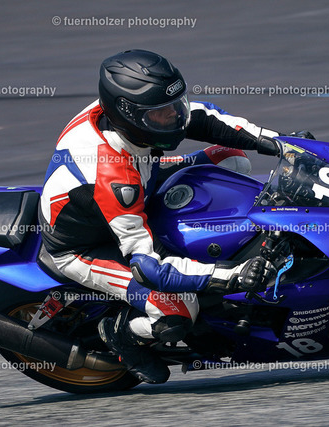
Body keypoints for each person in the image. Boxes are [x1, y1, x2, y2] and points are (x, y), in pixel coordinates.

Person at [39, 49, 281, 384]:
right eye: (161, 114)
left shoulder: (125, 114)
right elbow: (149, 269)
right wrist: (232, 275)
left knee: (231, 157)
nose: (174, 116)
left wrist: (281, 143)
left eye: (175, 105)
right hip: (87, 245)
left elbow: (203, 117)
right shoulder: (112, 177)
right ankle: (121, 334)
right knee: (178, 311)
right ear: (129, 115)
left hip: (141, 179)